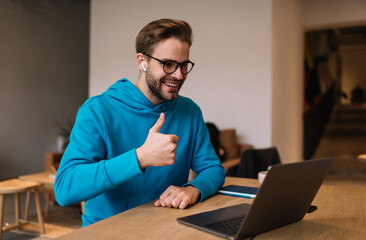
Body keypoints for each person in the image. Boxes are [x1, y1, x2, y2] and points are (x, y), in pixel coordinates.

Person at [54, 18, 225, 227]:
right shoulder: (97, 111)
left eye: (183, 65)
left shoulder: (189, 111)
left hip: (167, 227)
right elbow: (64, 189)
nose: (179, 75)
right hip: (107, 231)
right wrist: (140, 157)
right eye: (168, 64)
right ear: (142, 61)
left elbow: (213, 169)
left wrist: (193, 190)